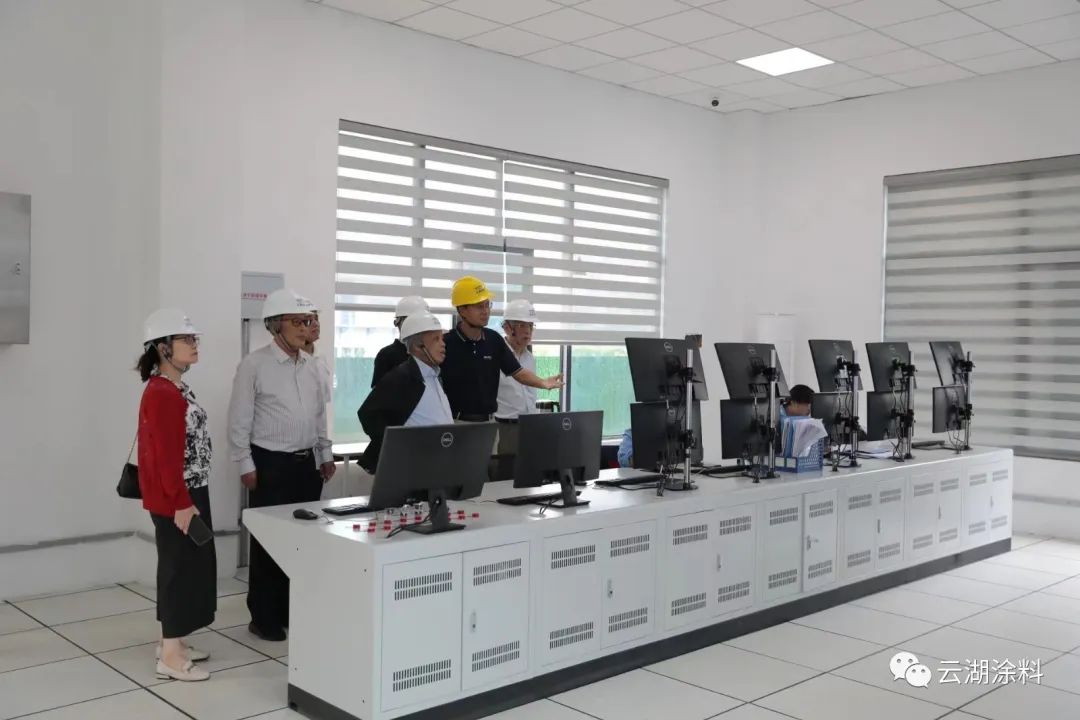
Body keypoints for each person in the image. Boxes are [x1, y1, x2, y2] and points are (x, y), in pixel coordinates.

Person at [228, 288, 335, 642]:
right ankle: (263, 617)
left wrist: (325, 454)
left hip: (307, 465)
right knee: (268, 541)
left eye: (308, 321)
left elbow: (318, 416)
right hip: (270, 464)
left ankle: (291, 609)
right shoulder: (254, 365)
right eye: (298, 322)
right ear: (276, 326)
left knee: (301, 542)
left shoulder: (312, 365)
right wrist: (244, 463)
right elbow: (239, 419)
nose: (306, 328)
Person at [135, 309, 216, 682]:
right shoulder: (163, 393)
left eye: (194, 338)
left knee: (186, 567)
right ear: (163, 347)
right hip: (177, 497)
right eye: (186, 339)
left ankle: (174, 641)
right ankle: (169, 656)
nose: (194, 344)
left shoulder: (172, 388)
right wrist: (182, 503)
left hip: (186, 491)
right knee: (178, 570)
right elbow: (167, 457)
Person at [440, 277, 562, 425]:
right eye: (479, 306)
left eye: (487, 305)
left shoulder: (493, 340)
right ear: (462, 310)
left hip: (490, 423)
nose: (485, 311)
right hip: (456, 423)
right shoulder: (446, 343)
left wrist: (543, 382)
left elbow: (518, 373)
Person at [357, 312, 451, 472]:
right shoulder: (401, 377)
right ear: (417, 346)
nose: (443, 344)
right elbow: (368, 413)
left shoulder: (434, 375)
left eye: (442, 338)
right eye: (436, 339)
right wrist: (395, 447)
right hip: (413, 467)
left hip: (438, 463)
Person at [492, 299, 542, 475]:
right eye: (521, 325)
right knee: (505, 478)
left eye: (530, 325)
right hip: (506, 428)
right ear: (507, 328)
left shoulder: (530, 357)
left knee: (531, 478)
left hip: (530, 427)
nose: (528, 331)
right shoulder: (497, 355)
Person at [371, 295, 430, 388]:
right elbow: (378, 393)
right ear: (398, 323)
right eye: (410, 321)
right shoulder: (386, 355)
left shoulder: (431, 352)